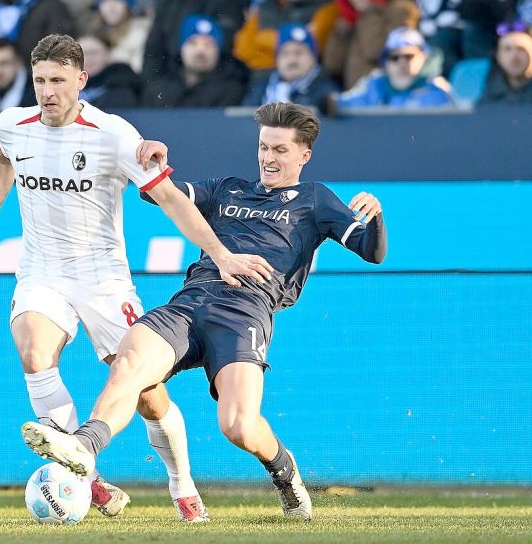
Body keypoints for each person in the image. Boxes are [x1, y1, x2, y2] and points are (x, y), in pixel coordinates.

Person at [20, 101, 388, 522]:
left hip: (245, 313)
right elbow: (160, 194)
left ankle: (286, 474)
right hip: (190, 302)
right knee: (129, 362)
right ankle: (84, 445)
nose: (268, 157)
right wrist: (151, 157)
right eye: (264, 147)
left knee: (238, 426)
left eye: (280, 150)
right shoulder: (228, 189)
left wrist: (375, 217)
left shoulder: (316, 199)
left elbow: (371, 252)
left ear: (304, 155)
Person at [0, 33, 272, 522]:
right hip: (42, 269)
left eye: (58, 81)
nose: (47, 91)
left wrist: (222, 254)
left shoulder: (114, 134)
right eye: (40, 80)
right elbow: (2, 159)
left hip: (103, 277)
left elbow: (170, 199)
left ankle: (182, 483)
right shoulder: (12, 125)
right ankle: (85, 472)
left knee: (147, 394)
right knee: (34, 352)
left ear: (81, 81)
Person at [140, 14, 248, 107]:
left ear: (218, 52)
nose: (200, 51)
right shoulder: (159, 89)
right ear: (181, 48)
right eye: (193, 43)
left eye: (208, 45)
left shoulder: (231, 91)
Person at [336, 26, 455, 108]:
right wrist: (328, 101)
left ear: (423, 57)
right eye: (394, 57)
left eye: (409, 56)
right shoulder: (374, 86)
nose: (402, 63)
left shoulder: (437, 91)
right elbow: (343, 104)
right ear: (385, 62)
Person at [244, 23, 340, 111]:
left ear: (313, 57)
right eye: (285, 54)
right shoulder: (261, 89)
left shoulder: (325, 90)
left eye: (299, 53)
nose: (292, 60)